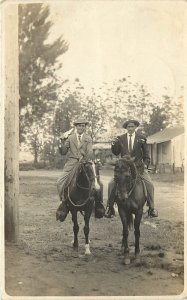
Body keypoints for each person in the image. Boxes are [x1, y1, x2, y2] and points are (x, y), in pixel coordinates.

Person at [105, 119, 158, 218]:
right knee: (111, 183)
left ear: (135, 127)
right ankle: (110, 208)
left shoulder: (141, 138)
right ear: (126, 128)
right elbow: (116, 152)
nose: (130, 128)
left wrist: (145, 165)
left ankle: (152, 208)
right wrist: (113, 144)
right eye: (128, 127)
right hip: (124, 169)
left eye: (132, 126)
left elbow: (146, 154)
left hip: (138, 168)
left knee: (150, 185)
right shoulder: (120, 138)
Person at [56, 118, 96, 222]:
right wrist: (62, 142)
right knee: (60, 181)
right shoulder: (70, 137)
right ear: (76, 127)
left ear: (85, 127)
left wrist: (85, 158)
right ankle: (64, 202)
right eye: (79, 126)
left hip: (85, 162)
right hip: (72, 163)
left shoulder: (88, 138)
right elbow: (64, 152)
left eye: (83, 126)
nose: (81, 128)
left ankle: (98, 205)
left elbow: (90, 151)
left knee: (95, 181)